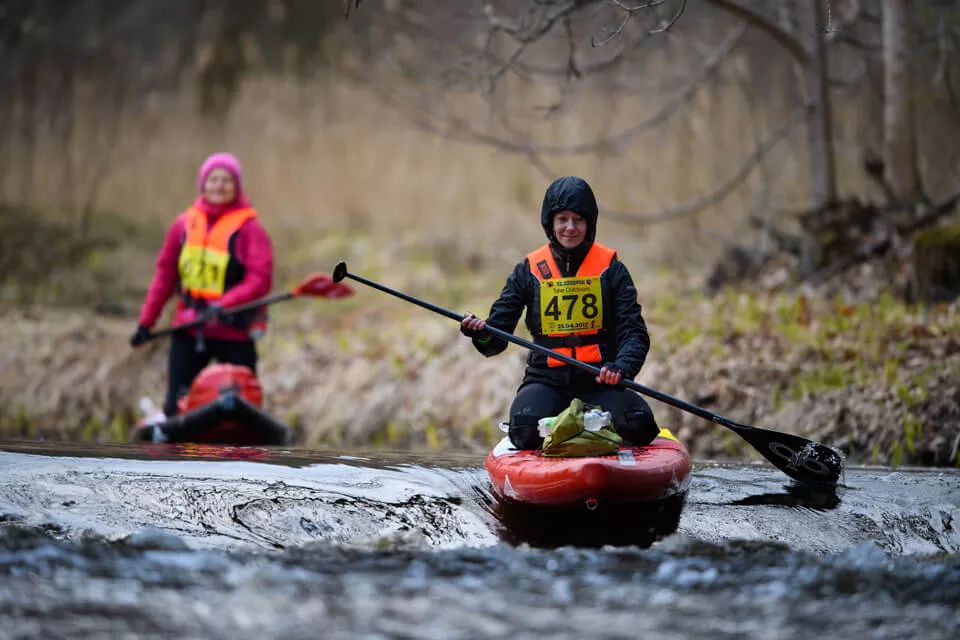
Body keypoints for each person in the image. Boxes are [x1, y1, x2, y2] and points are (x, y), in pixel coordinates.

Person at [460, 176, 659, 450]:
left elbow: (634, 332)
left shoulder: (611, 270)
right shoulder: (528, 271)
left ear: (589, 223)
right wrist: (480, 334)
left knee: (639, 424)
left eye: (578, 219)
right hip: (546, 381)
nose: (570, 227)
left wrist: (621, 367)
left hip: (600, 380)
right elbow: (495, 340)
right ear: (550, 223)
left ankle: (607, 442)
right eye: (563, 219)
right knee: (524, 430)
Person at [129, 152, 274, 417]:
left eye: (226, 180)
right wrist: (145, 323)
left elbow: (260, 280)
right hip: (189, 329)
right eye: (213, 179)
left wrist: (224, 304)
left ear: (236, 187)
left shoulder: (251, 230)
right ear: (203, 184)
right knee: (176, 406)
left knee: (244, 406)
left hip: (234, 331)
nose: (219, 186)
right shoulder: (183, 225)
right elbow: (164, 277)